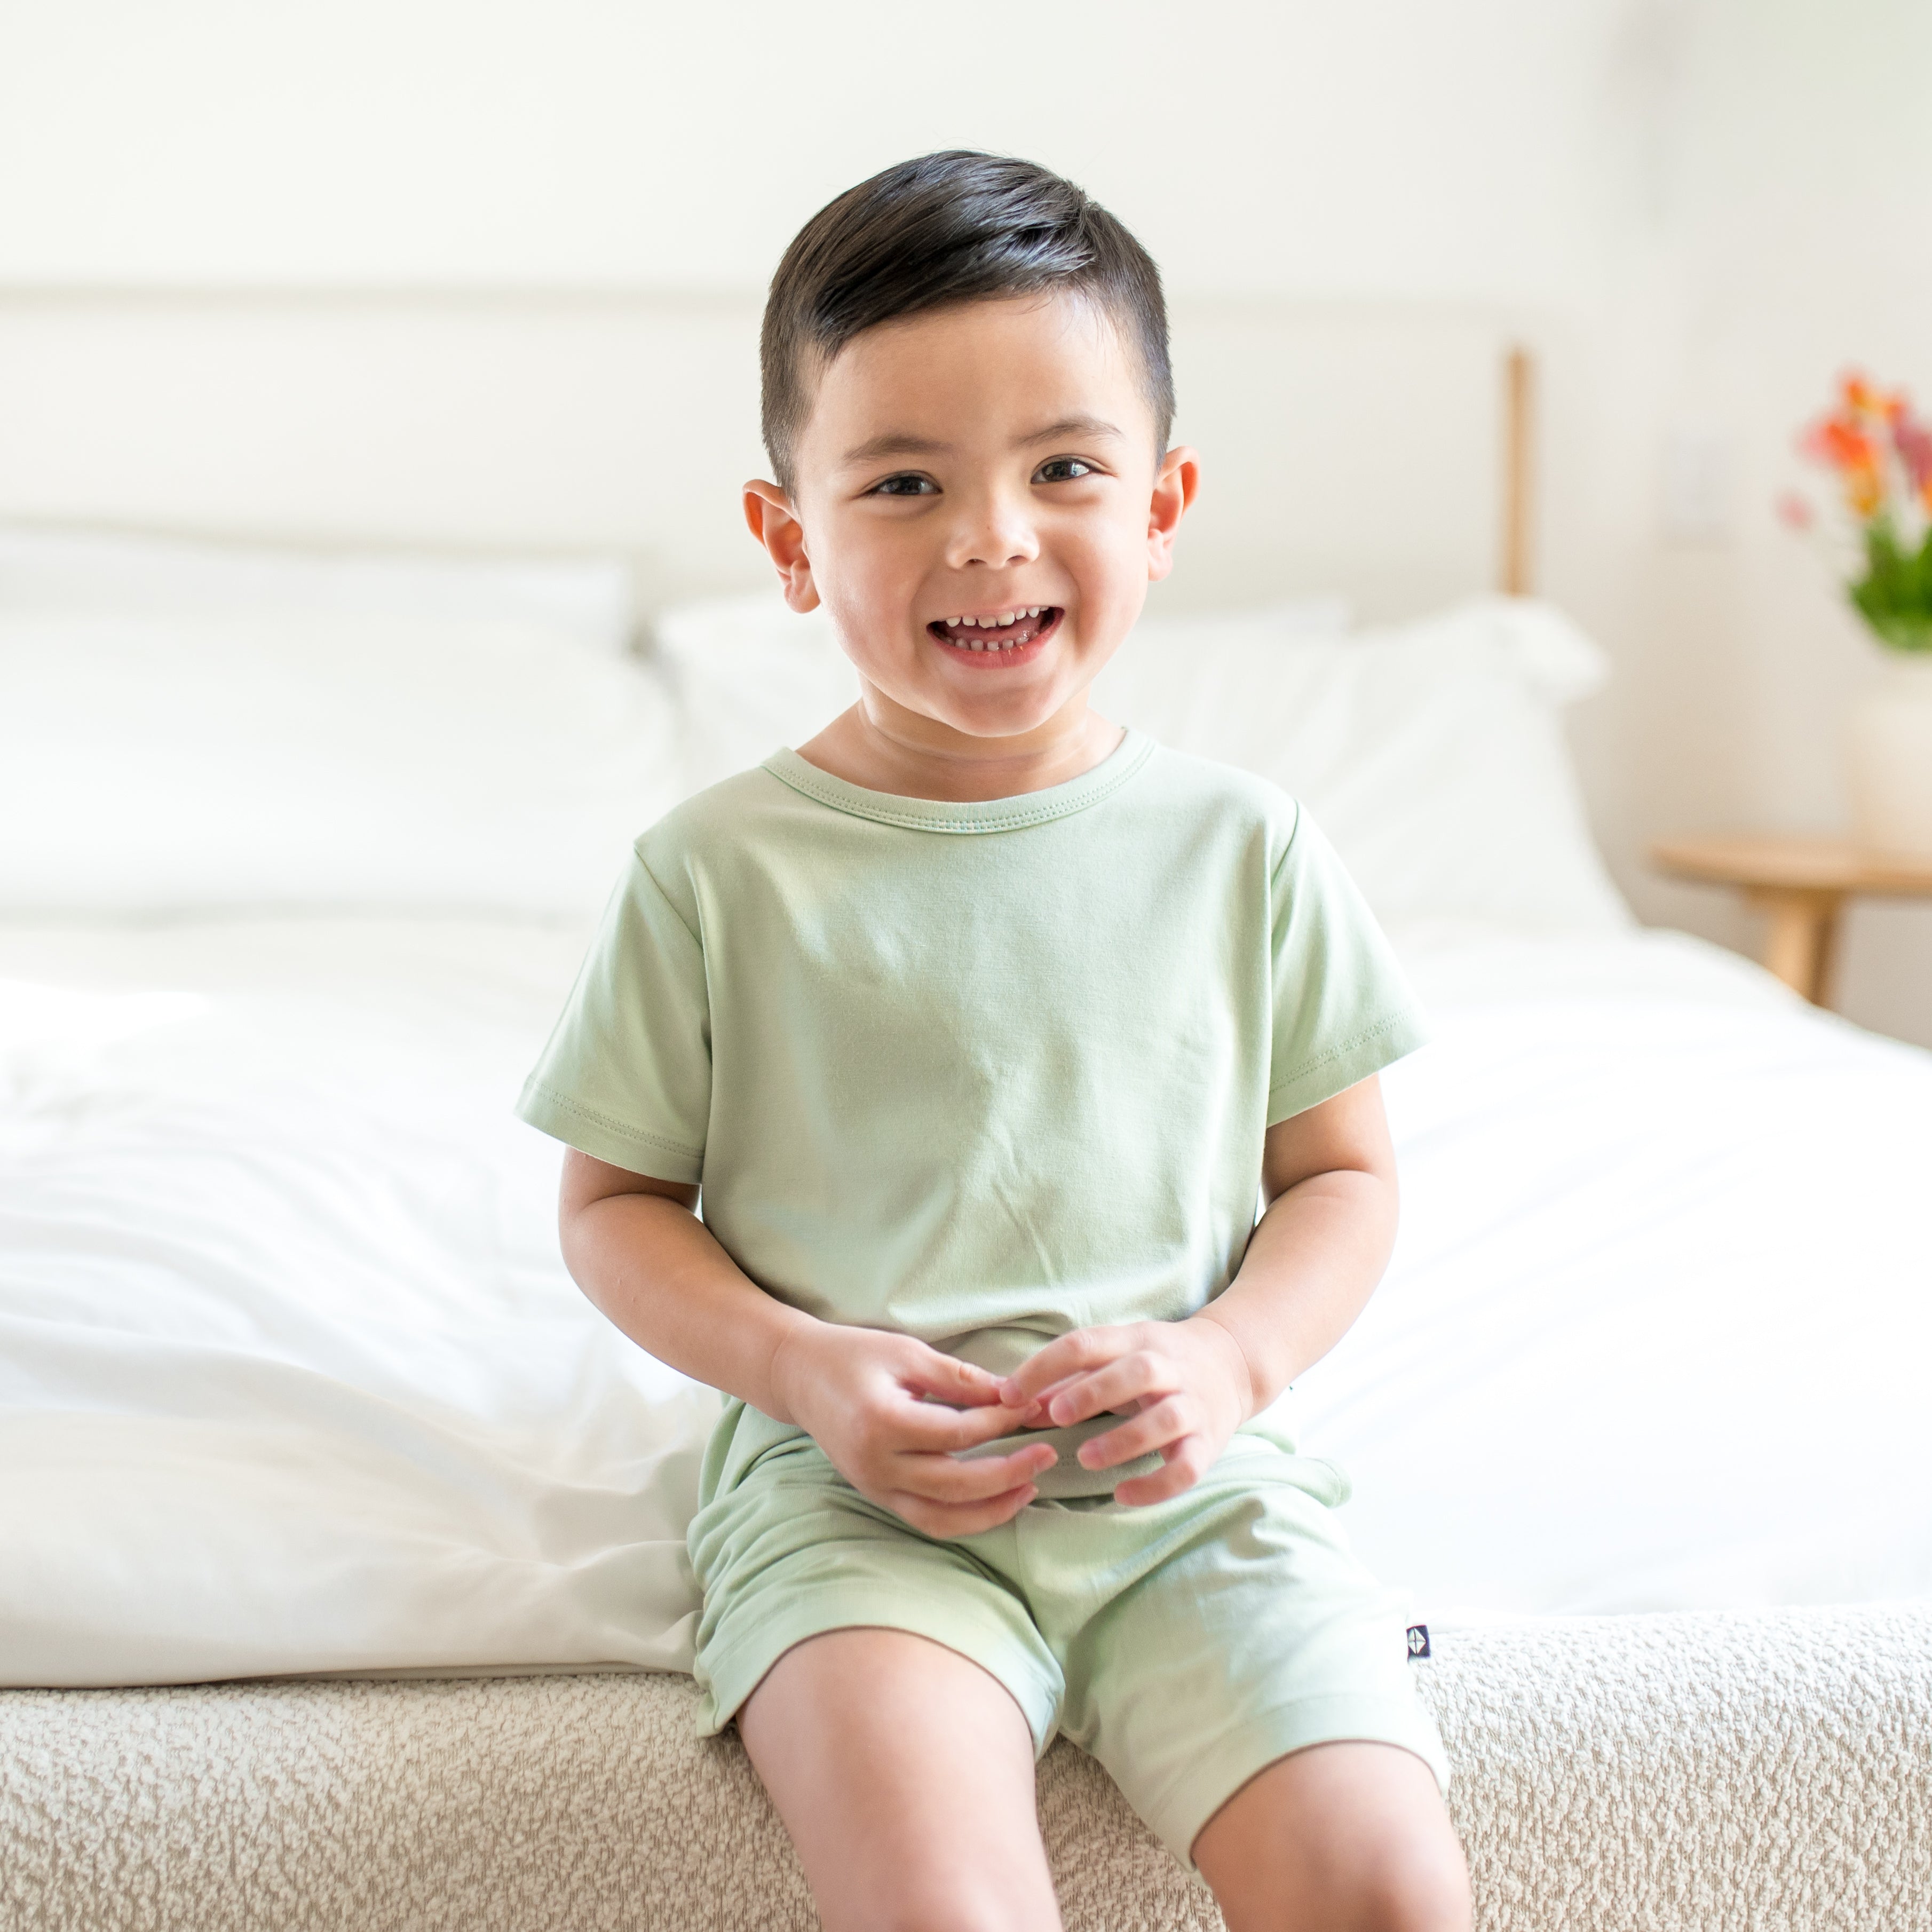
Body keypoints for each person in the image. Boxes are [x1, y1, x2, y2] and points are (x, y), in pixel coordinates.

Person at [518, 150, 1472, 1932]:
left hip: (1188, 1490)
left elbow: (1338, 1176)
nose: (991, 536)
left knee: (1388, 1889)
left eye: (1065, 469)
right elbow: (611, 1206)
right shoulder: (719, 872)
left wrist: (1232, 1363)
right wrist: (805, 1372)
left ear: (1163, 507)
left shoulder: (1241, 845)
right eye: (902, 481)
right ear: (790, 541)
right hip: (860, 1508)